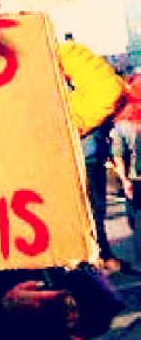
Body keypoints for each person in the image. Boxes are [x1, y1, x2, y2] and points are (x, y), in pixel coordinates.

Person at [60, 39, 127, 274]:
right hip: (83, 154)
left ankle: (95, 257)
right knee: (92, 210)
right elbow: (108, 89)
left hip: (71, 153)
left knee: (87, 211)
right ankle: (96, 258)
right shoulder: (64, 56)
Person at [111, 72, 141, 264]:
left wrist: (124, 181)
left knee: (137, 221)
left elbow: (118, 155)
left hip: (135, 179)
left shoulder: (122, 124)